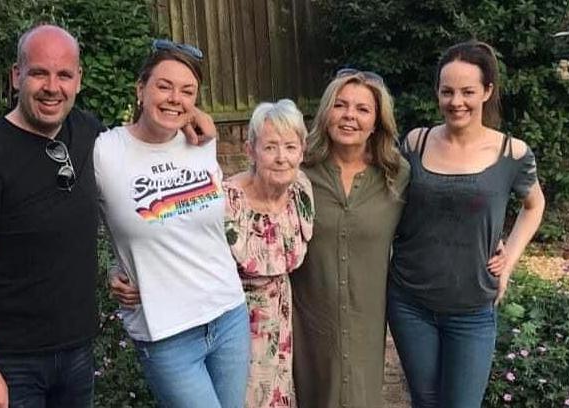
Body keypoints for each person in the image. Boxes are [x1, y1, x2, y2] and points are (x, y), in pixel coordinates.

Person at [0, 25, 216, 408]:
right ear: (16, 76)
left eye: (64, 75)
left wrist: (186, 111)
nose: (53, 87)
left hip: (78, 354)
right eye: (39, 73)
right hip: (12, 362)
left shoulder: (88, 134)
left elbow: (136, 163)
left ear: (78, 80)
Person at [387, 40, 545, 408]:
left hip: (473, 307)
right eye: (447, 91)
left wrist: (510, 260)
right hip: (410, 302)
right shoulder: (415, 142)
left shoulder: (513, 153)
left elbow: (534, 206)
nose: (456, 101)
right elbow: (383, 200)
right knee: (425, 402)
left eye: (468, 91)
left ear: (487, 91)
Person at [94, 40, 249, 408]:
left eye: (187, 91)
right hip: (166, 332)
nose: (174, 98)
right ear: (140, 89)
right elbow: (68, 219)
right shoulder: (105, 151)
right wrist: (108, 269)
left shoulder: (201, 142)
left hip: (228, 315)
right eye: (163, 86)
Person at [289, 69, 410, 408]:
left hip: (366, 324)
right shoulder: (298, 172)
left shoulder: (397, 175)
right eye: (340, 105)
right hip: (307, 322)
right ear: (326, 112)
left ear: (377, 122)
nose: (349, 116)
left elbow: (432, 226)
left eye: (362, 109)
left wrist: (493, 243)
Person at [223, 99, 314, 407]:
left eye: (290, 147)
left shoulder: (301, 191)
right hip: (235, 334)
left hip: (282, 333)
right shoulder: (227, 201)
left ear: (302, 151)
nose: (281, 158)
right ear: (251, 150)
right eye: (270, 147)